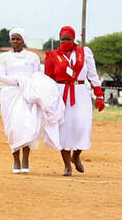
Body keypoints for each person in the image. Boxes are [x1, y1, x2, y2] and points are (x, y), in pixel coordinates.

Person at [0, 28, 63, 173]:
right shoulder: (3, 57)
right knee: (12, 128)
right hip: (10, 94)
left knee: (28, 125)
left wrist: (30, 85)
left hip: (28, 94)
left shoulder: (33, 57)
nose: (15, 42)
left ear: (23, 41)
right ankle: (15, 159)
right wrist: (18, 81)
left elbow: (37, 75)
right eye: (13, 39)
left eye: (18, 39)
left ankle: (25, 159)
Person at [44, 26, 104, 176]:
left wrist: (99, 95)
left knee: (83, 126)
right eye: (62, 39)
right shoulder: (52, 55)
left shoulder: (84, 53)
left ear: (73, 39)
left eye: (68, 39)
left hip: (80, 92)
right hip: (61, 93)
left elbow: (93, 75)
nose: (65, 42)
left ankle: (75, 157)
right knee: (63, 129)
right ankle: (66, 166)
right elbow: (48, 78)